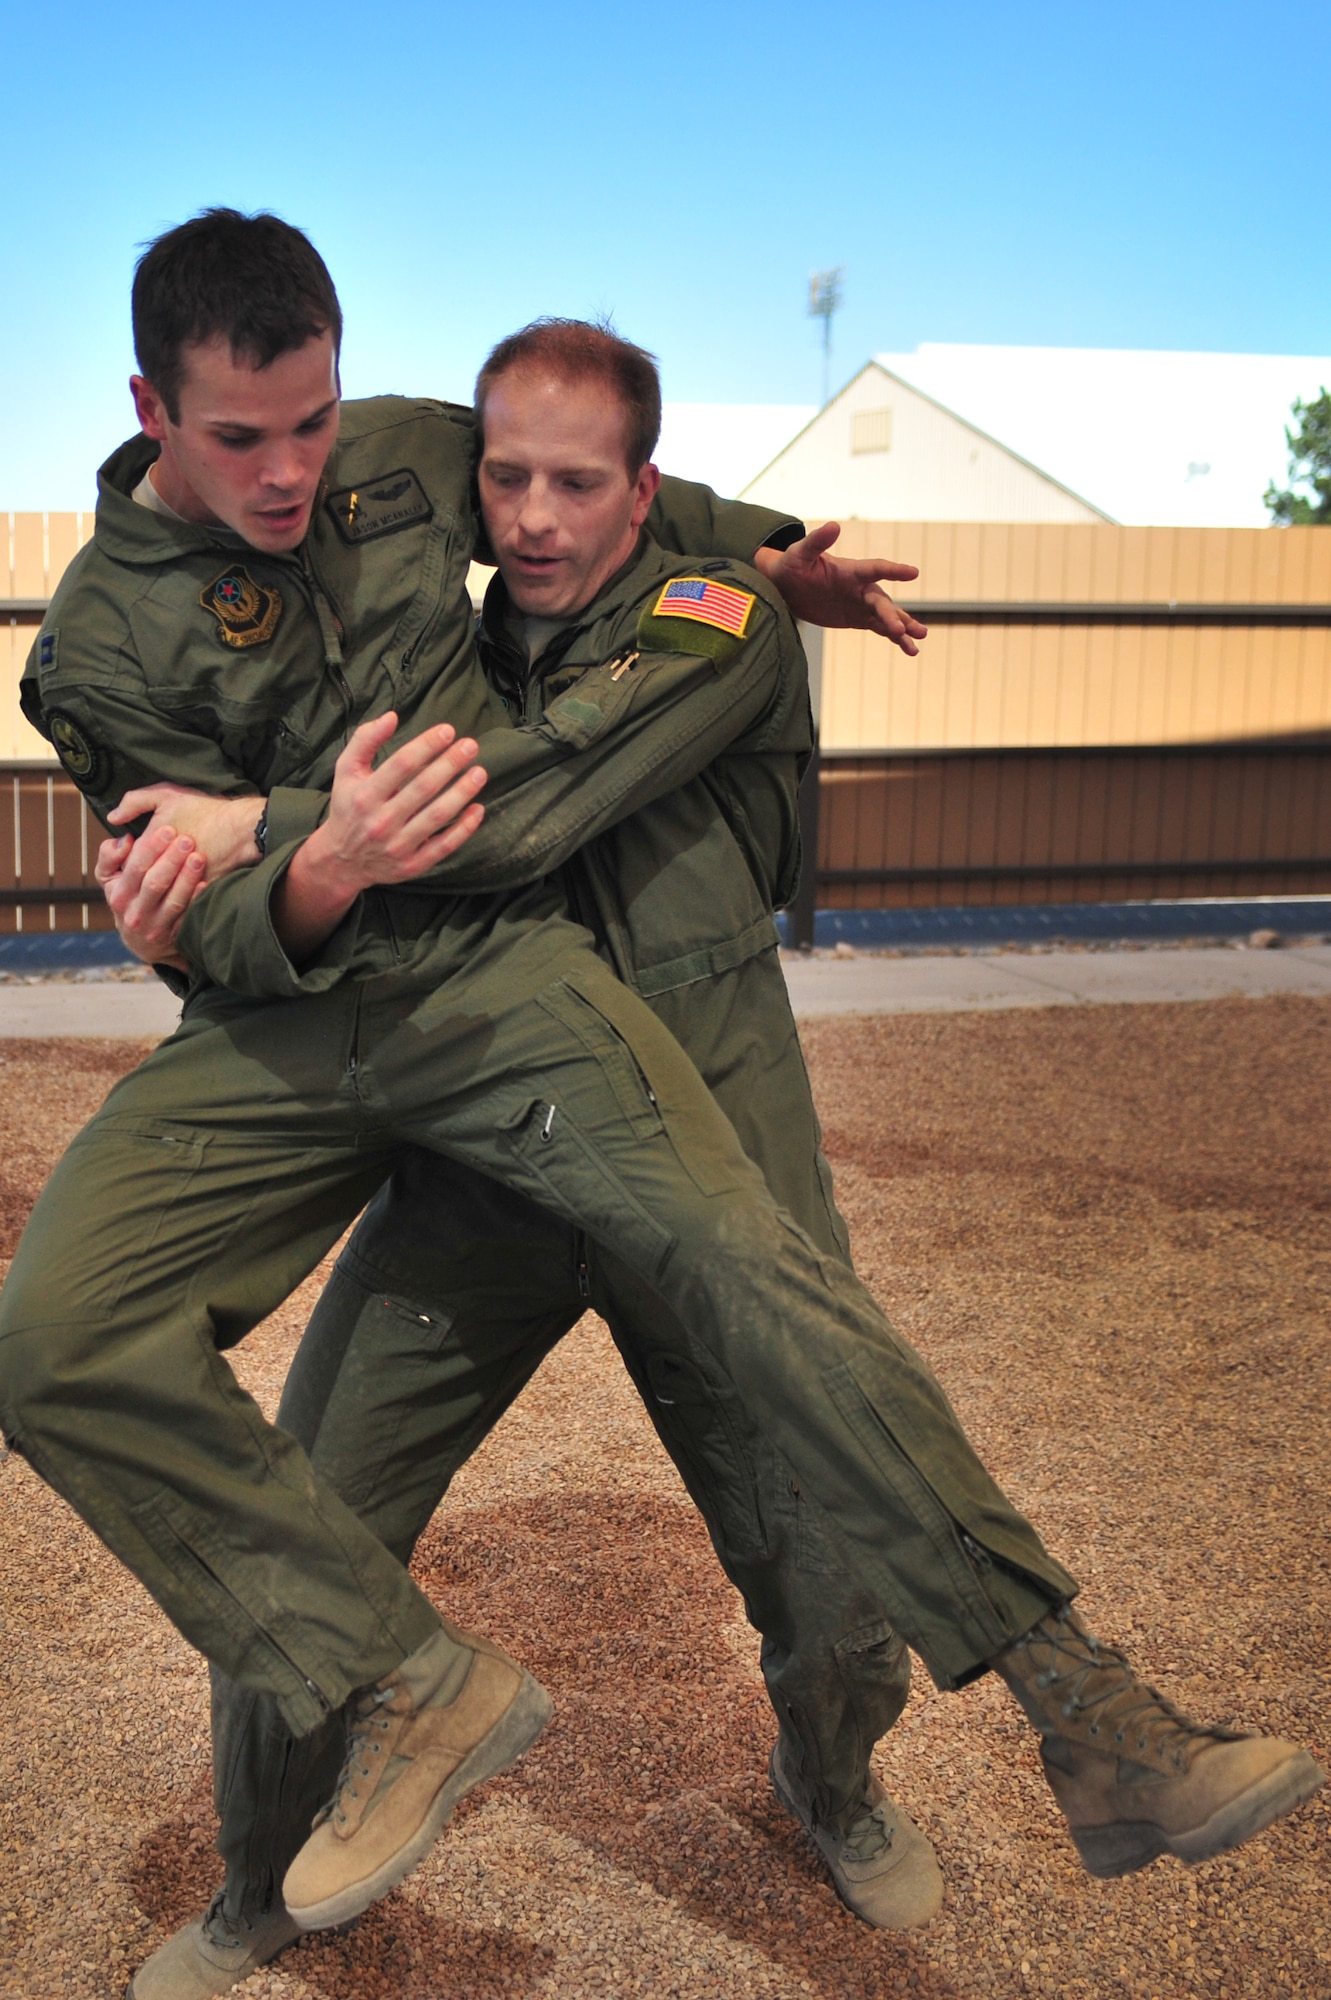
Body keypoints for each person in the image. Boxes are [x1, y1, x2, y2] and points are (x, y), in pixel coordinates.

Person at [7, 210, 1320, 1997]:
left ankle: (973, 1748)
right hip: (368, 1037)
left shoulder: (626, 579)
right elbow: (209, 922)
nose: (295, 472)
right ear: (150, 403)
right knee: (213, 1435)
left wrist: (767, 554)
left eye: (313, 425)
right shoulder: (96, 649)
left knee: (796, 1432)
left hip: (587, 1046)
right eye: (241, 436)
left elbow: (570, 680)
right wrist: (288, 868)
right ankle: (279, 1854)